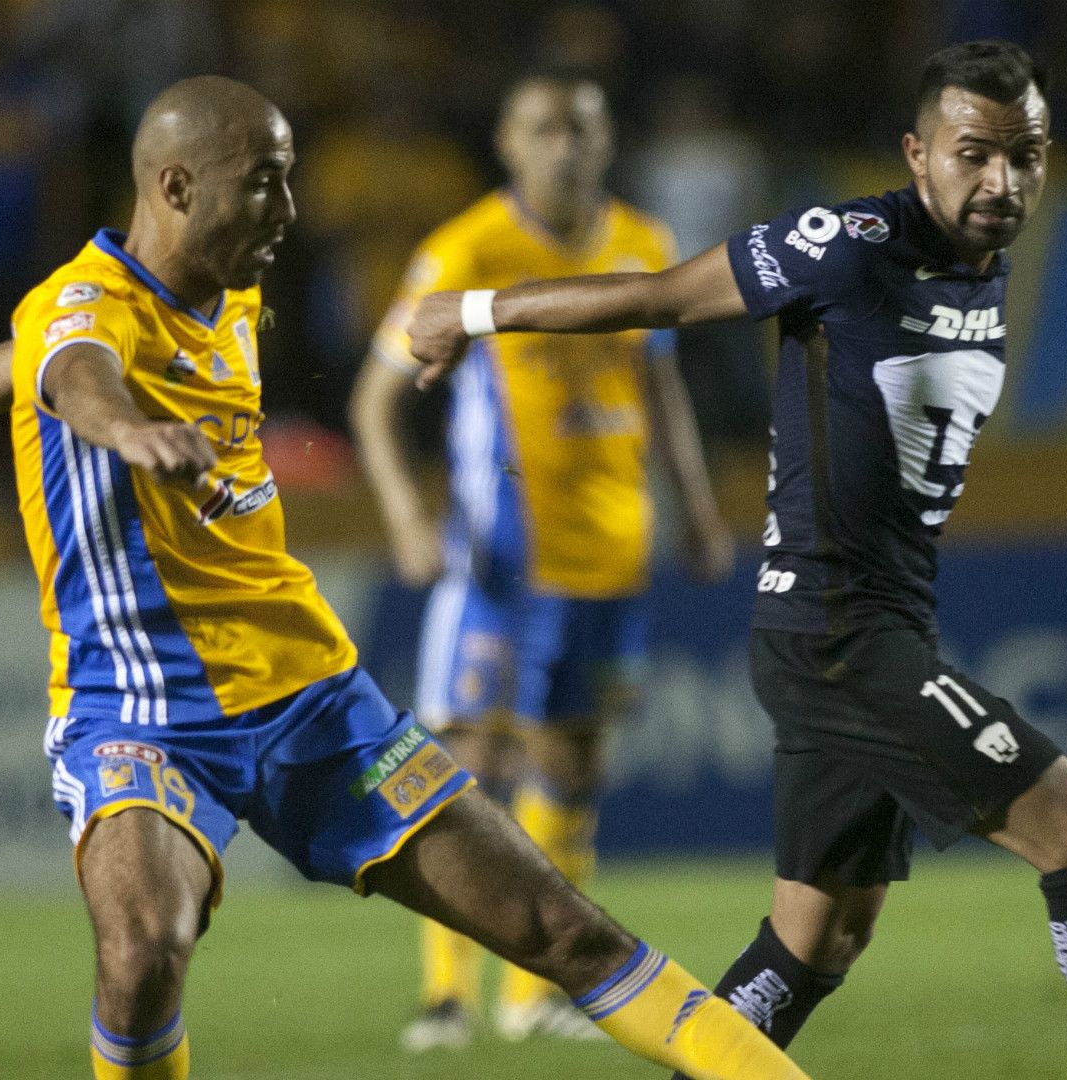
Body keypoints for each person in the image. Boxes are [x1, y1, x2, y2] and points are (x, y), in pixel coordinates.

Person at [0, 76, 814, 1080]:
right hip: (141, 713)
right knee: (141, 953)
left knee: (563, 930)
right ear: (175, 187)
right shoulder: (89, 305)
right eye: (263, 180)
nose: (289, 208)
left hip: (314, 700)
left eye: (290, 176)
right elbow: (70, 373)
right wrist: (126, 430)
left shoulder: (228, 297)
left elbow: (14, 362)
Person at [404, 41, 1067, 1080]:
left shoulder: (982, 266)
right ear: (919, 154)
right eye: (975, 154)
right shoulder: (848, 242)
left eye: (1028, 156)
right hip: (837, 631)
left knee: (815, 940)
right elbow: (660, 297)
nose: (1001, 182)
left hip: (871, 627)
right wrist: (473, 313)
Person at [350, 71, 734, 1049]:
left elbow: (662, 389)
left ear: (606, 144)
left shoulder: (644, 244)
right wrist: (404, 515)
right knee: (468, 761)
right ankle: (446, 994)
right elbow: (375, 398)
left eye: (583, 128)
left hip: (608, 552)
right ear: (508, 143)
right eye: (544, 128)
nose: (565, 145)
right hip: (499, 559)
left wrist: (695, 509)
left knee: (571, 760)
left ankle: (534, 996)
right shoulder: (467, 247)